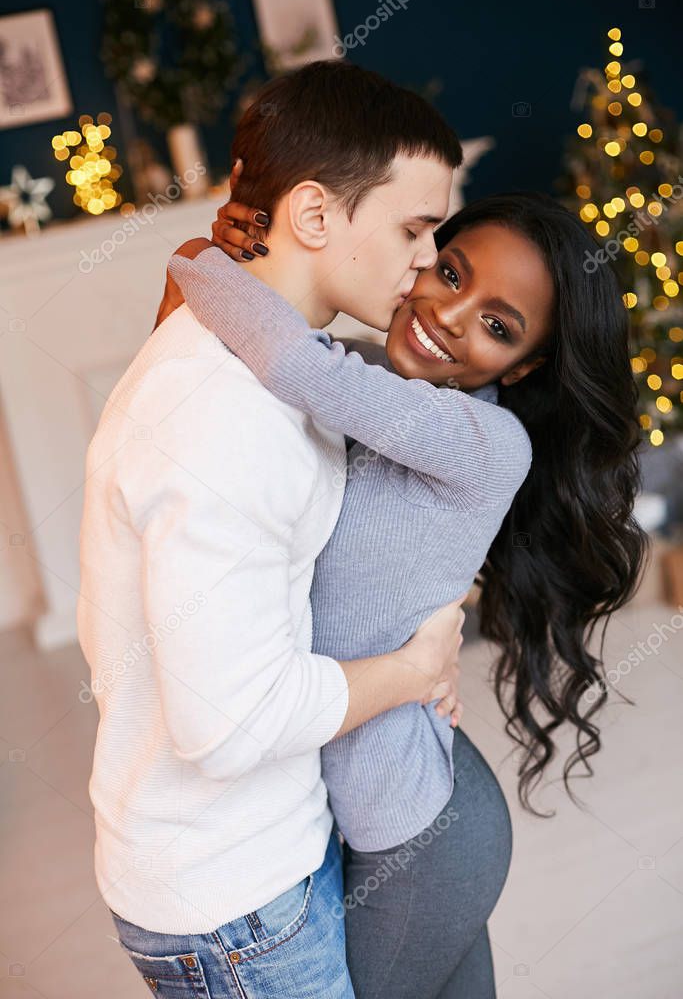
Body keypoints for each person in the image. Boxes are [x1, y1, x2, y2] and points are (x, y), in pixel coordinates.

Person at [164, 180, 648, 997]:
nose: (450, 317)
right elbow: (248, 349)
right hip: (401, 799)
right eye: (451, 274)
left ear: (524, 365)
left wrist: (193, 257)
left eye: (499, 326)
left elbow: (282, 353)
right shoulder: (357, 370)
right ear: (420, 258)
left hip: (420, 840)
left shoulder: (487, 440)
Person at [77, 59, 467, 999]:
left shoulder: (273, 362)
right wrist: (412, 674)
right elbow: (229, 723)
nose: (426, 259)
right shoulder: (221, 416)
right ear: (316, 216)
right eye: (414, 228)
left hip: (263, 852)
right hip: (233, 902)